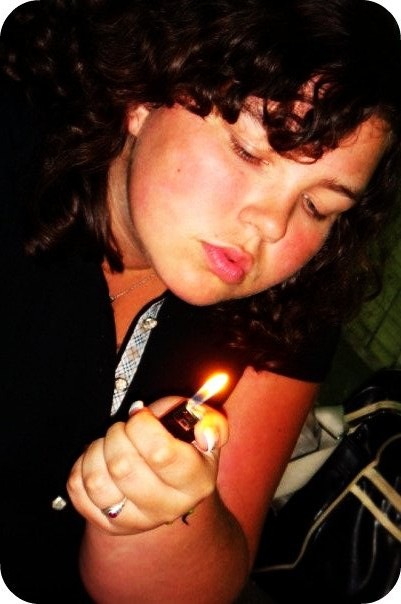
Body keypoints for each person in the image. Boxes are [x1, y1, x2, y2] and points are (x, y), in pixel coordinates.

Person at [0, 0, 400, 602]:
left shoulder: (295, 305)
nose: (271, 225)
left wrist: (159, 514)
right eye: (250, 152)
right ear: (144, 96)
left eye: (318, 206)